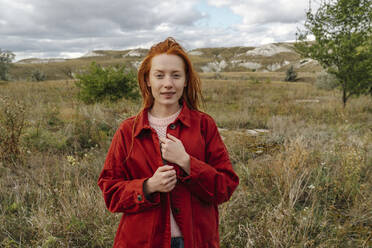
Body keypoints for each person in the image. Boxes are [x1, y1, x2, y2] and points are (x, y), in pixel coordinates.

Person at [98, 37, 239, 248]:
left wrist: (187, 162)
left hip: (196, 241)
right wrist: (147, 186)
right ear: (148, 80)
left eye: (176, 75)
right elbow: (110, 192)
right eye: (159, 75)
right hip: (142, 242)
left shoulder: (203, 126)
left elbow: (225, 187)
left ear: (186, 80)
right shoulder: (129, 131)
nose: (168, 84)